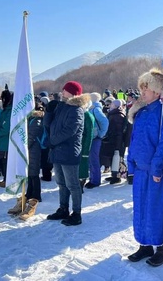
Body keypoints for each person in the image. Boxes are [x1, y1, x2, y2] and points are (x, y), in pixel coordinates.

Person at [126, 68, 163, 267]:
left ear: (158, 91)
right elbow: (134, 141)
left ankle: (162, 250)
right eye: (142, 88)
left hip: (156, 172)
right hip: (142, 172)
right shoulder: (141, 113)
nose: (142, 92)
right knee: (142, 209)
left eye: (147, 88)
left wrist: (157, 168)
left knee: (159, 210)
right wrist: (131, 164)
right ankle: (145, 245)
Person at [45, 81, 85, 226]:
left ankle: (77, 213)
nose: (62, 92)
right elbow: (49, 125)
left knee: (73, 185)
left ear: (73, 93)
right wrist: (48, 112)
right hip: (57, 150)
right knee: (61, 183)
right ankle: (63, 208)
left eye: (65, 90)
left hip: (69, 152)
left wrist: (52, 141)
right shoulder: (62, 107)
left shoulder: (76, 110)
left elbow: (69, 130)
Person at [85, 92, 108, 189]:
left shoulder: (96, 109)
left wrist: (100, 134)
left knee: (93, 159)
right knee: (91, 158)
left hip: (95, 138)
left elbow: (105, 122)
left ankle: (95, 181)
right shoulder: (92, 108)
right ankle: (92, 178)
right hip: (92, 137)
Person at [101, 99, 126, 184]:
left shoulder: (118, 116)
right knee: (113, 158)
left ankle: (116, 176)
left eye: (112, 104)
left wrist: (118, 144)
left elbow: (119, 132)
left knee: (116, 158)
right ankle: (113, 175)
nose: (110, 105)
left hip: (116, 141)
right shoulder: (113, 114)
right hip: (113, 140)